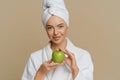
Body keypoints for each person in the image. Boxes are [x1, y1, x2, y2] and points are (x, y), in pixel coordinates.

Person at [21, 0, 94, 80]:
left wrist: (74, 69)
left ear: (67, 26)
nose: (55, 32)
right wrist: (41, 72)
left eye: (60, 26)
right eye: (50, 28)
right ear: (46, 29)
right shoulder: (35, 58)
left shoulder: (83, 56)